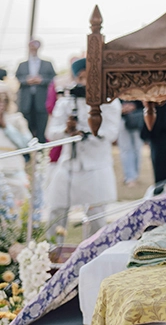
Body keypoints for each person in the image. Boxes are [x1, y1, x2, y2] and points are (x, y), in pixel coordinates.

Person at [46, 58, 120, 237]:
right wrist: (67, 130)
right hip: (68, 165)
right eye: (81, 78)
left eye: (89, 78)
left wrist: (87, 131)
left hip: (96, 166)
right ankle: (51, 257)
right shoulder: (65, 101)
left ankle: (94, 257)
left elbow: (111, 133)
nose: (85, 83)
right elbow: (50, 133)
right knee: (55, 212)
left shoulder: (109, 102)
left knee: (96, 217)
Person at [15, 39, 56, 142]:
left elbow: (53, 78)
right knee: (26, 125)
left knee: (41, 126)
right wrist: (27, 80)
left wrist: (41, 80)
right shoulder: (22, 64)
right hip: (26, 101)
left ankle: (41, 149)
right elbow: (18, 77)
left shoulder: (47, 64)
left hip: (41, 100)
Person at [0, 83, 32, 201]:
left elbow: (26, 143)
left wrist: (6, 126)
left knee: (19, 199)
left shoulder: (17, 119)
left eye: (3, 100)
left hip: (14, 167)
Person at [118, 101, 144, 187]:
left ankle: (134, 175)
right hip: (121, 117)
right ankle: (130, 177)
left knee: (137, 149)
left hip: (137, 116)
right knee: (126, 149)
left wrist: (135, 105)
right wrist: (120, 107)